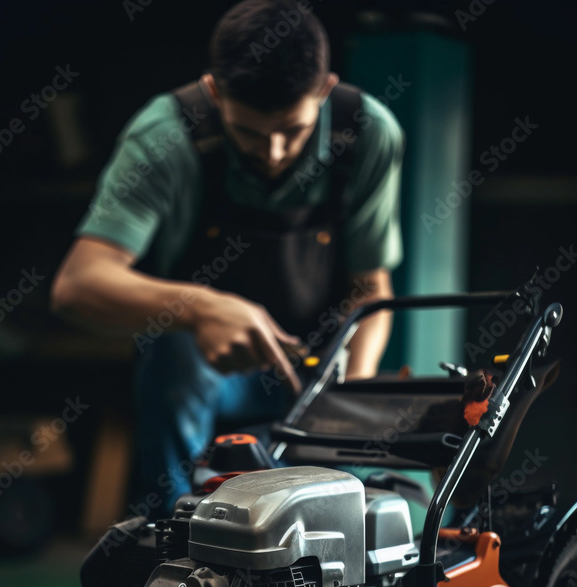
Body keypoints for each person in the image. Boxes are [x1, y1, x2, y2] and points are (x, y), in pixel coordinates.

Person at [51, 0, 405, 515]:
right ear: (215, 94)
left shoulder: (370, 133)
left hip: (313, 372)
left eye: (294, 131)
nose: (275, 153)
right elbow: (77, 285)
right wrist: (201, 307)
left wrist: (348, 385)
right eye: (251, 133)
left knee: (341, 522)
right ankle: (174, 544)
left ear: (325, 90)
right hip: (207, 377)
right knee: (175, 352)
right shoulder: (165, 137)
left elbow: (370, 290)